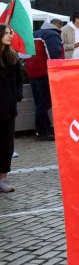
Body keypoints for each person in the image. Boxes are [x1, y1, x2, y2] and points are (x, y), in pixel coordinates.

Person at [26, 18, 63, 141]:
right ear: (59, 27)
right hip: (45, 73)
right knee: (44, 103)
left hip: (32, 73)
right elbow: (55, 55)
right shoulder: (51, 34)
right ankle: (42, 132)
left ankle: (45, 128)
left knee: (39, 102)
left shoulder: (35, 34)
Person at [0, 25, 22, 193]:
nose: (9, 36)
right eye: (6, 33)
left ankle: (3, 178)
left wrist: (16, 96)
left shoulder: (12, 56)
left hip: (8, 108)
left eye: (10, 33)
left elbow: (18, 80)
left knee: (6, 144)